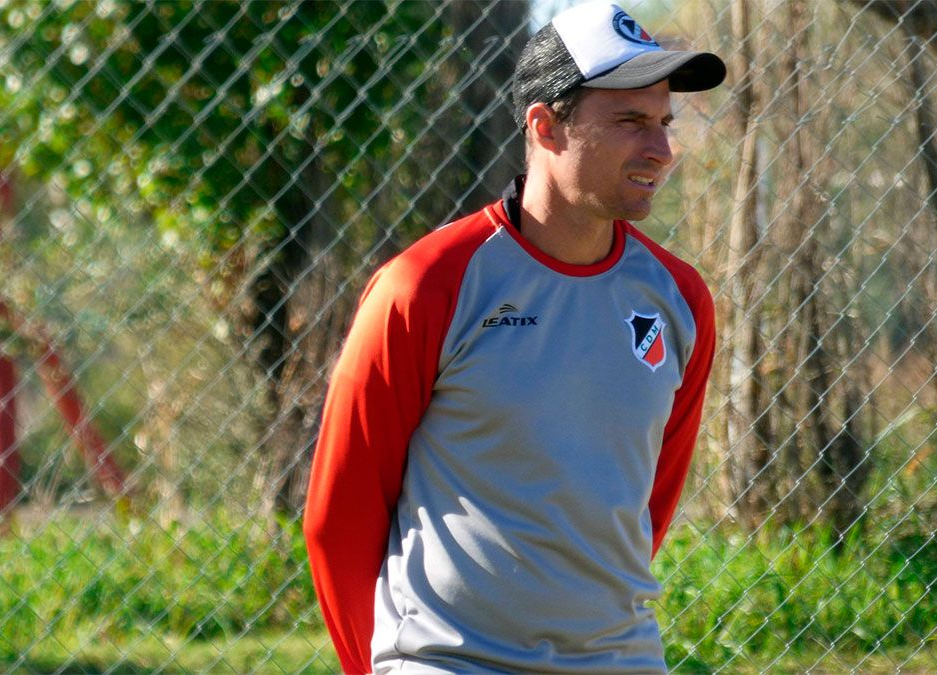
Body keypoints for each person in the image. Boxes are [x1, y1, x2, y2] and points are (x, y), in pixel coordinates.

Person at [303, 2, 725, 672]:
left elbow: (648, 505)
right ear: (546, 126)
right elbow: (340, 517)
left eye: (665, 123)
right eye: (631, 122)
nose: (662, 150)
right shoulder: (424, 286)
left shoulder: (680, 301)